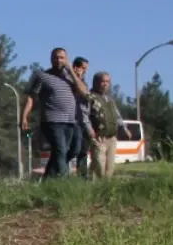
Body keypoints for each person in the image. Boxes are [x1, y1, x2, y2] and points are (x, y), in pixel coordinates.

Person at [21, 47, 87, 179]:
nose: (58, 60)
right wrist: (24, 116)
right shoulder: (43, 76)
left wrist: (72, 73)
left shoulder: (71, 78)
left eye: (62, 57)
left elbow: (84, 92)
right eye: (55, 57)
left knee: (71, 150)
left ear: (67, 60)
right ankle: (63, 180)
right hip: (52, 120)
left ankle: (48, 179)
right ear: (51, 59)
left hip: (70, 121)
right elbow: (31, 97)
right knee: (60, 150)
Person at [86, 71, 123, 179]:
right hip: (99, 137)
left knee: (109, 169)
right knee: (99, 166)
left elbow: (117, 115)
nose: (105, 84)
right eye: (102, 81)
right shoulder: (91, 97)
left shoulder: (110, 99)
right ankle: (91, 185)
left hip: (112, 137)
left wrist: (124, 128)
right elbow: (85, 115)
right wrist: (90, 131)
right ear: (96, 82)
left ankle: (105, 188)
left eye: (107, 81)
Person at [67, 56, 92, 178]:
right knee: (74, 149)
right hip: (71, 119)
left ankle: (83, 176)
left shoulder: (83, 83)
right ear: (75, 67)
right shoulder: (68, 79)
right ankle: (61, 167)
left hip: (82, 119)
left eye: (86, 69)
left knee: (83, 150)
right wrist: (74, 76)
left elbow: (85, 95)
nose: (85, 71)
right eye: (83, 68)